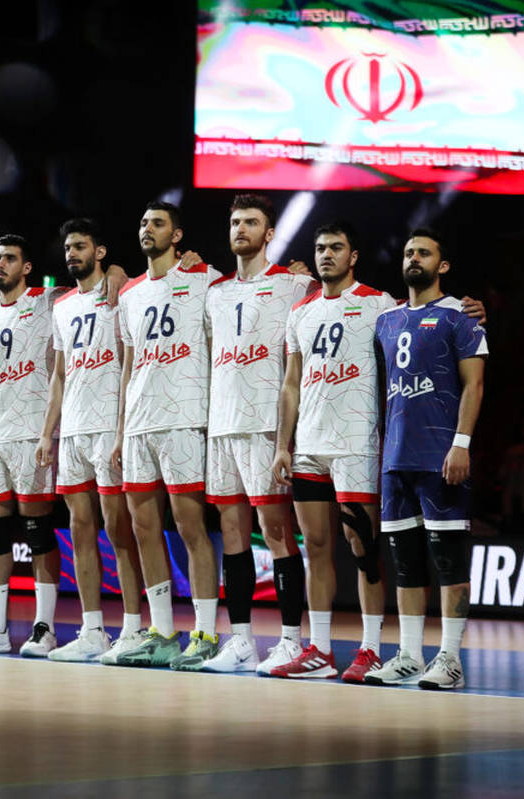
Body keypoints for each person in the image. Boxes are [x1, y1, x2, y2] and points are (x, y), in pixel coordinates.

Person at [0, 234, 126, 656]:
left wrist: (117, 270)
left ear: (26, 267)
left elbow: (97, 283)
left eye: (10, 258)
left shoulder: (51, 301)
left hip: (34, 432)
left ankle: (43, 627)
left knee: (38, 528)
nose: (1, 265)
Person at [269, 222, 395, 680]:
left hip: (356, 445)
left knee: (363, 547)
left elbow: (421, 319)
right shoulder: (300, 312)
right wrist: (283, 445)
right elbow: (290, 384)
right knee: (316, 549)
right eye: (321, 248)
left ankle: (371, 649)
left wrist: (465, 307)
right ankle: (320, 650)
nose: (326, 255)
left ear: (353, 256)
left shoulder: (379, 303)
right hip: (309, 446)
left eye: (336, 248)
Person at [366, 228, 487, 690]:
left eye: (424, 253)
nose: (413, 258)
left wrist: (462, 443)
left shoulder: (462, 316)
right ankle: (410, 656)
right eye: (408, 252)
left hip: (441, 456)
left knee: (449, 561)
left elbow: (474, 385)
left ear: (443, 265)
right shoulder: (386, 319)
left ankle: (450, 658)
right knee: (406, 565)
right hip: (395, 458)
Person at [200, 194, 315, 674]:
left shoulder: (295, 284)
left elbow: (349, 301)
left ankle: (290, 640)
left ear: (269, 234)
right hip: (222, 426)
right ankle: (242, 641)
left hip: (266, 426)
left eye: (250, 222)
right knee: (231, 534)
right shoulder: (214, 292)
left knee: (276, 532)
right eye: (235, 222)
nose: (240, 229)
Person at [109, 203, 224, 669]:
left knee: (189, 526)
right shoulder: (130, 293)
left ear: (177, 236)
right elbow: (128, 366)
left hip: (183, 417)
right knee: (143, 528)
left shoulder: (204, 278)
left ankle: (206, 633)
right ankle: (161, 632)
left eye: (157, 223)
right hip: (139, 422)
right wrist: (121, 431)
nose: (147, 229)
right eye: (143, 223)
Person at [36, 219, 144, 662]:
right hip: (74, 431)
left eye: (80, 246)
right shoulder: (62, 306)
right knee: (80, 531)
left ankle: (134, 628)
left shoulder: (123, 294)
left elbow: (130, 363)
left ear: (100, 253)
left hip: (109, 428)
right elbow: (59, 375)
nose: (71, 254)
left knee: (119, 531)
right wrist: (48, 433)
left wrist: (120, 430)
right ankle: (93, 630)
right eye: (68, 248)